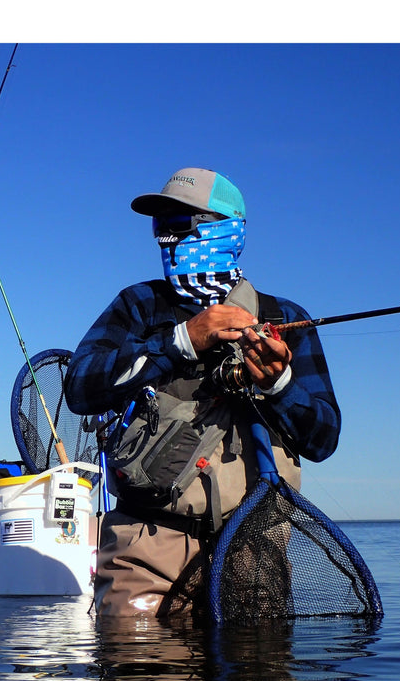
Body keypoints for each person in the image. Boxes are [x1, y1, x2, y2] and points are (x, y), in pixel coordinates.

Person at [63, 167, 341, 618]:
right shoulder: (139, 304)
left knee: (257, 680)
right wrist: (180, 342)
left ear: (225, 229)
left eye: (181, 225)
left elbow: (324, 438)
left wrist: (278, 384)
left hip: (256, 546)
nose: (166, 240)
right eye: (160, 227)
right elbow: (79, 387)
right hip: (145, 542)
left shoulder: (286, 317)